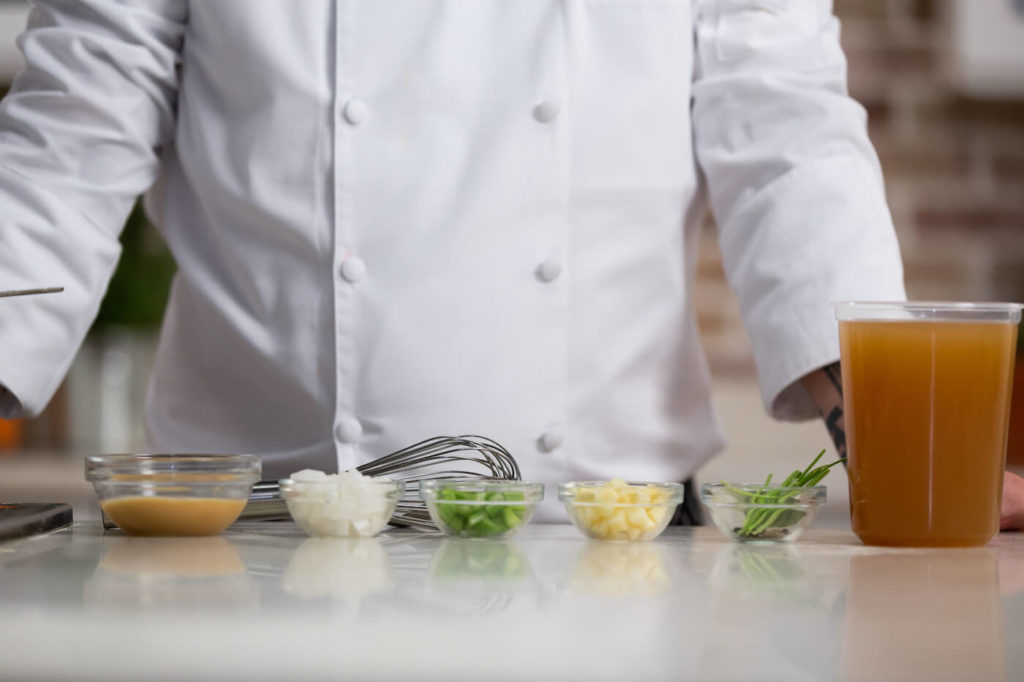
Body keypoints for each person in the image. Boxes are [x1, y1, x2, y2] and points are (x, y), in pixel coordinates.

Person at [0, 1, 1020, 526]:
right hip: (253, 534)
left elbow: (783, 129)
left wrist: (899, 441)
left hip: (607, 537)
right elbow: (73, 133)